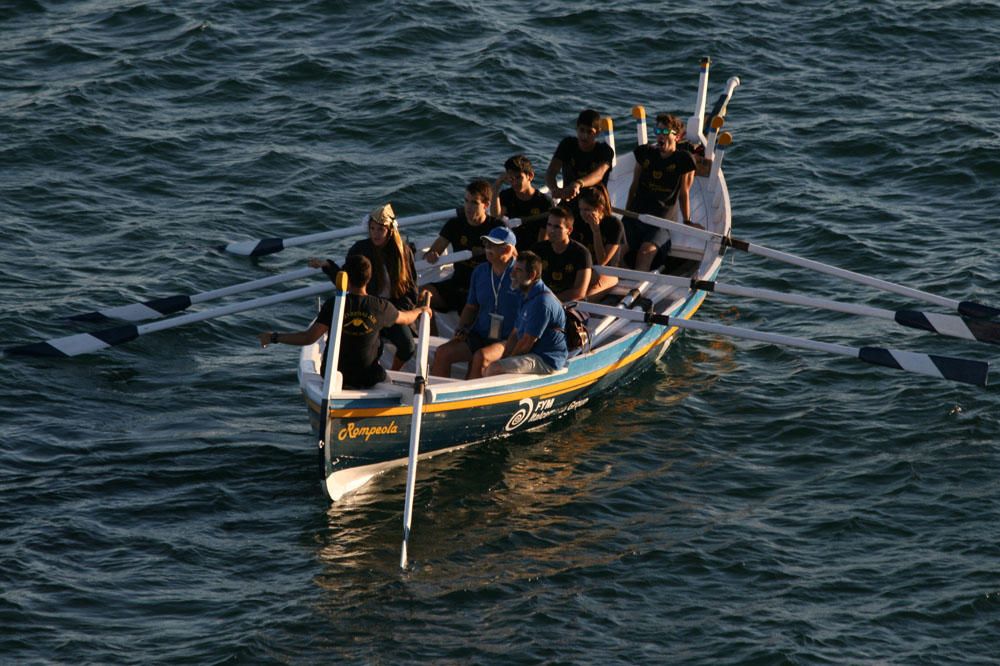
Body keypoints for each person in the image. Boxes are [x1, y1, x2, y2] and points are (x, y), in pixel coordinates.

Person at [257, 255, 431, 389]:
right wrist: (421, 310)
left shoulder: (334, 304)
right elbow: (407, 318)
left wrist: (274, 337)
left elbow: (308, 338)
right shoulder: (380, 307)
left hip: (334, 374)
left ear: (345, 277)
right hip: (369, 376)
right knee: (390, 384)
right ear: (369, 278)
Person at [308, 203, 419, 370]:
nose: (375, 234)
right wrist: (327, 266)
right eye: (372, 229)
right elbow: (348, 280)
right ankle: (371, 372)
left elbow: (411, 289)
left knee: (407, 346)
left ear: (390, 230)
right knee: (369, 345)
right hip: (368, 308)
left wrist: (399, 312)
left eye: (380, 229)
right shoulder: (360, 249)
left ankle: (392, 371)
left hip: (393, 310)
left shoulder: (403, 252)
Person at [430, 227, 521, 379]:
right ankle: (437, 400)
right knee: (443, 353)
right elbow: (471, 307)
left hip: (508, 338)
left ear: (507, 249)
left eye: (492, 245)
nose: (487, 248)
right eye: (486, 244)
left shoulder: (521, 274)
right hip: (481, 333)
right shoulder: (480, 272)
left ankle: (469, 400)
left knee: (481, 356)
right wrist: (461, 329)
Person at [625, 112, 697, 271]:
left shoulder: (683, 159)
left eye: (665, 132)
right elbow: (634, 186)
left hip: (661, 221)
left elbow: (684, 192)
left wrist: (687, 221)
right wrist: (627, 213)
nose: (660, 136)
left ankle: (636, 288)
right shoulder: (644, 153)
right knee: (616, 250)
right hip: (636, 216)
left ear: (677, 137)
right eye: (657, 132)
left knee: (644, 253)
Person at [423, 179, 504, 313]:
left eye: (474, 203)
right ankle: (431, 335)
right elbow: (433, 251)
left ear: (486, 205)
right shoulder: (455, 224)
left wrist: (486, 251)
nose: (468, 207)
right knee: (422, 295)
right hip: (458, 283)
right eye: (466, 201)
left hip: (485, 287)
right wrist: (431, 255)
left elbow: (509, 258)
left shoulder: (496, 228)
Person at [484, 251, 568, 377]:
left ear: (532, 275)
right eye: (513, 269)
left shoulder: (542, 303)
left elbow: (526, 343)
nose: (512, 274)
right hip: (531, 354)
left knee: (494, 368)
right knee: (491, 363)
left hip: (545, 359)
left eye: (518, 270)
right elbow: (515, 334)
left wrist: (504, 362)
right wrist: (505, 357)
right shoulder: (526, 295)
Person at [545, 109, 615, 204]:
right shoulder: (567, 144)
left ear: (598, 132)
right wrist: (554, 189)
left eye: (590, 132)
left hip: (595, 205)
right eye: (582, 130)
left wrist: (578, 184)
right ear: (577, 128)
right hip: (569, 201)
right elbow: (551, 172)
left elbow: (599, 175)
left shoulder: (605, 151)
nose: (584, 136)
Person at [572, 184, 624, 298]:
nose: (583, 214)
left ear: (599, 208)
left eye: (587, 210)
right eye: (581, 209)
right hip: (584, 268)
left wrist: (596, 231)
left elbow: (602, 261)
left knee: (586, 297)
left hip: (607, 272)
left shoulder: (614, 224)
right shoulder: (578, 221)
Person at [531, 206, 592, 302]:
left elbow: (579, 292)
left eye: (557, 227)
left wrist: (548, 299)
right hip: (539, 302)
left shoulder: (581, 253)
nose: (551, 230)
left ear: (569, 230)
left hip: (569, 305)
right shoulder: (538, 249)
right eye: (549, 225)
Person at [491, 154, 551, 250]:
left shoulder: (544, 202)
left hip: (533, 249)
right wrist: (497, 185)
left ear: (530, 176)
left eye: (519, 177)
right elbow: (496, 216)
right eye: (511, 178)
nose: (514, 182)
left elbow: (543, 237)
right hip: (510, 248)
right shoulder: (506, 196)